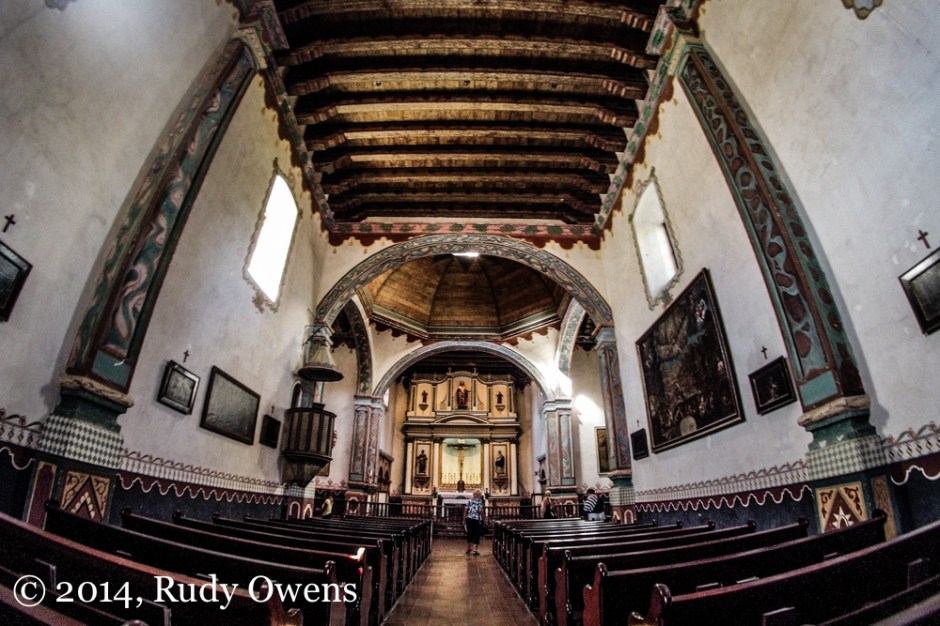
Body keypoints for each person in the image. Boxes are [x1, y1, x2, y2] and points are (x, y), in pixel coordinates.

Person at [463, 489, 485, 555]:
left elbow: (465, 510)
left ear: (474, 494)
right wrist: (484, 518)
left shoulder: (470, 501)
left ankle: (468, 548)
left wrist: (464, 519)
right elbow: (480, 511)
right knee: (476, 534)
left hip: (469, 518)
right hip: (476, 519)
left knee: (470, 533)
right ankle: (474, 550)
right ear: (479, 495)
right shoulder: (479, 501)